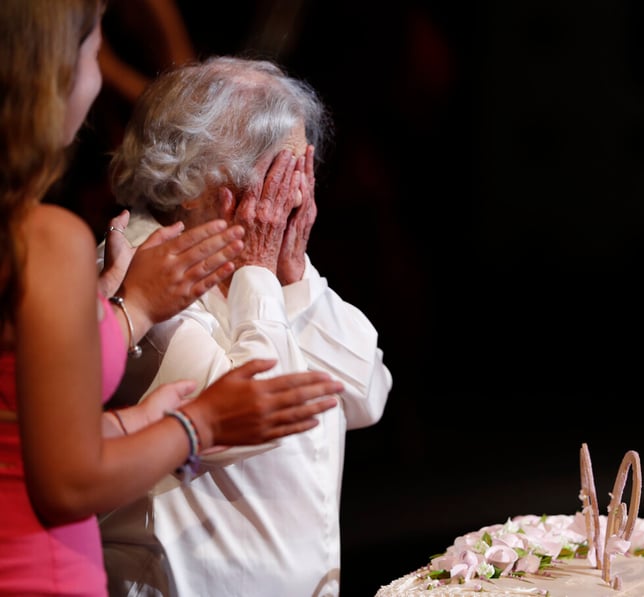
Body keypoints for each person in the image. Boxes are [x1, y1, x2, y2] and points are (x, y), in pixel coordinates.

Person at [0, 3, 343, 595]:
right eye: (93, 51)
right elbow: (65, 482)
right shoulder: (55, 240)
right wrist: (195, 425)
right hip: (40, 570)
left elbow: (366, 392)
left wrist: (291, 278)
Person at [98, 56, 393, 596]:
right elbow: (256, 414)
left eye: (302, 170)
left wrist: (294, 279)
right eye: (276, 175)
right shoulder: (141, 267)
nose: (298, 196)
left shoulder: (263, 263)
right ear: (192, 182)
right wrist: (260, 271)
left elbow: (368, 395)